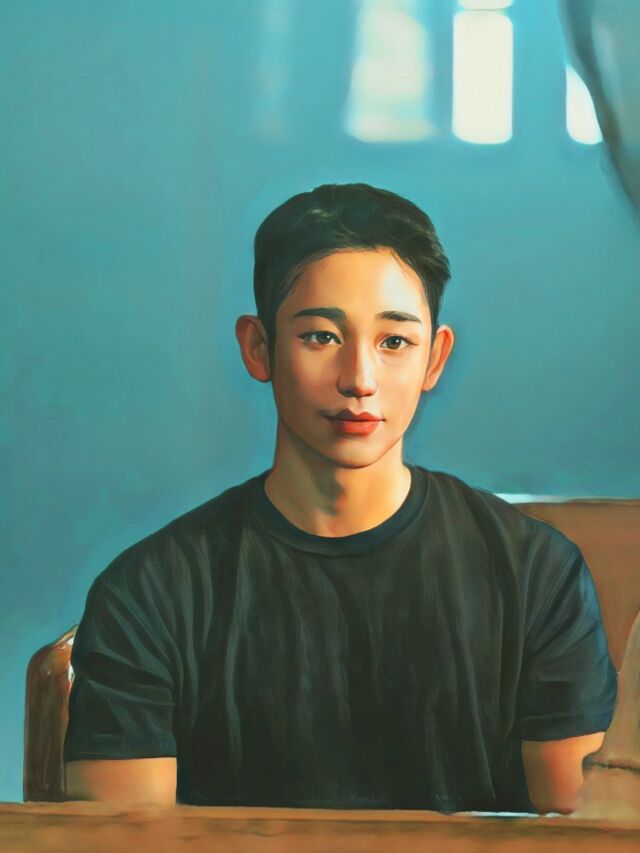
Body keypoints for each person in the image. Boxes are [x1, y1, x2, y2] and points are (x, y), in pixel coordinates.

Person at [63, 183, 616, 813]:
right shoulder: (149, 595)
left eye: (394, 342)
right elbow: (120, 841)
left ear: (435, 359)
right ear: (259, 347)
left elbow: (582, 835)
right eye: (321, 337)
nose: (359, 379)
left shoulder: (536, 576)